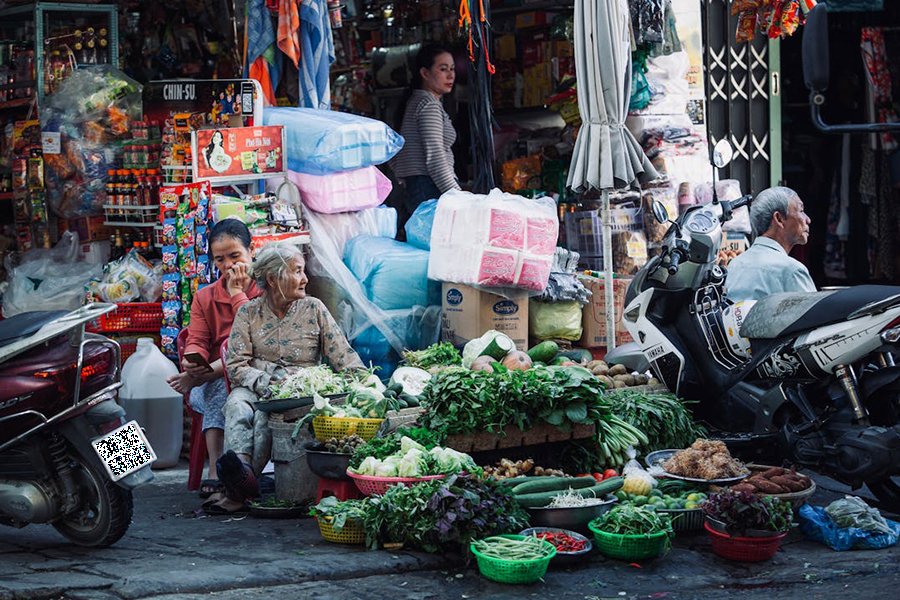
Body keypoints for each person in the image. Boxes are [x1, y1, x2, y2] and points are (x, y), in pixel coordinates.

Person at [206, 244, 365, 515]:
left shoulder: (313, 308)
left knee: (263, 420)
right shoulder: (249, 313)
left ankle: (240, 487)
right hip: (257, 387)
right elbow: (235, 365)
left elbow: (343, 356)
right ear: (273, 279)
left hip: (301, 391)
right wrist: (266, 382)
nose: (305, 279)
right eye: (298, 272)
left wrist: (366, 384)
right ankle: (240, 472)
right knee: (237, 405)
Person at [166, 219, 261, 500]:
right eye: (220, 260)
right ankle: (219, 466)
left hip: (254, 374)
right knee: (218, 386)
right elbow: (195, 340)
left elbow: (251, 342)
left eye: (235, 256)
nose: (228, 265)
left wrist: (236, 294)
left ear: (250, 251)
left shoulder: (264, 292)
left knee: (229, 364)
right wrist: (190, 364)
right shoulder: (205, 297)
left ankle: (217, 469)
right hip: (212, 382)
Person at [392, 44, 461, 219]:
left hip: (420, 185)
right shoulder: (428, 105)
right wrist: (457, 195)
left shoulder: (418, 101)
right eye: (443, 69)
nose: (451, 75)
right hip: (428, 186)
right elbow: (435, 156)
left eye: (452, 69)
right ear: (425, 73)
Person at [725, 186, 816, 302]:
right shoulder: (792, 270)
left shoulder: (734, 264)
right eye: (801, 211)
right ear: (779, 219)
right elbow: (814, 317)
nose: (808, 220)